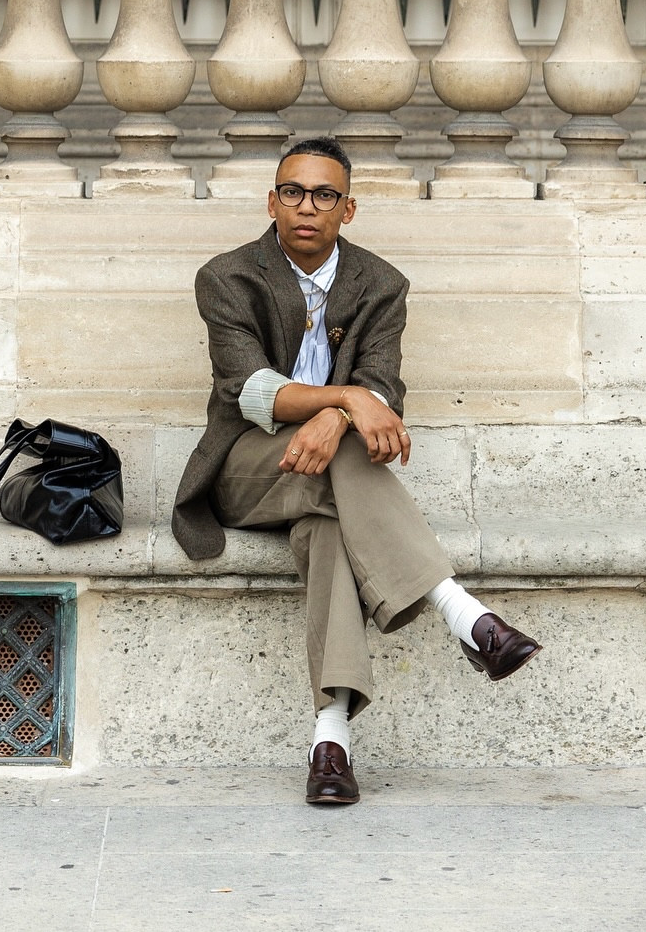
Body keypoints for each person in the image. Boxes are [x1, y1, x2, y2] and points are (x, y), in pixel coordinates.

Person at [173, 135, 541, 805]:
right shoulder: (227, 277)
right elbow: (251, 392)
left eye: (324, 195)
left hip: (324, 483)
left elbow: (383, 386)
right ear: (271, 201)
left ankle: (331, 741)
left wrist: (342, 414)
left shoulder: (381, 284)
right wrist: (345, 403)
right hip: (247, 468)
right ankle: (463, 613)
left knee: (328, 533)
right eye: (292, 192)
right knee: (344, 448)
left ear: (348, 208)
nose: (305, 206)